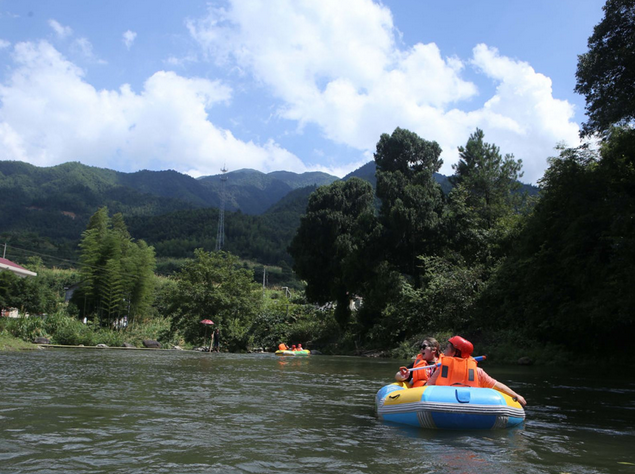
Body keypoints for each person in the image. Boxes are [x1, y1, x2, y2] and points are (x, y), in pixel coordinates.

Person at [427, 335, 527, 407]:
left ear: (455, 352)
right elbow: (497, 385)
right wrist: (516, 395)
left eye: (447, 348)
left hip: (444, 405)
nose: (444, 351)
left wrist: (516, 396)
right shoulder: (477, 371)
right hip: (470, 407)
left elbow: (427, 388)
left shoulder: (442, 369)